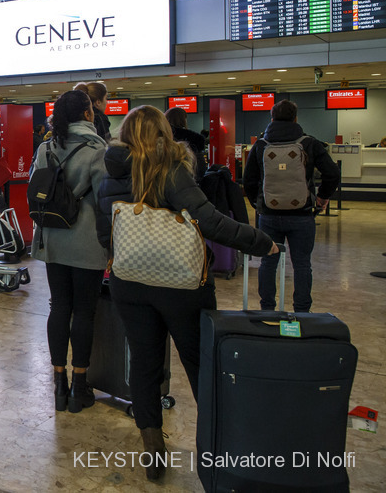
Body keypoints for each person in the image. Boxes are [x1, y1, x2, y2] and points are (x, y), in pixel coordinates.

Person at [97, 105, 276, 481]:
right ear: (164, 132)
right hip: (181, 285)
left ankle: (153, 453)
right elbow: (209, 221)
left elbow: (105, 235)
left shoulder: (109, 174)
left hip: (129, 283)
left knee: (144, 366)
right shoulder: (172, 168)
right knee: (200, 363)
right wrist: (261, 242)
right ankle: (215, 449)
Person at [28, 91, 107, 413]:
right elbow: (106, 200)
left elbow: (37, 188)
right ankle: (79, 386)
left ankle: (58, 383)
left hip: (53, 236)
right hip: (86, 240)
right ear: (88, 114)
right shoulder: (97, 149)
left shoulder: (46, 147)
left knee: (59, 305)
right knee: (85, 311)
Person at [242, 100, 341, 312]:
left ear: (271, 118)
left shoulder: (260, 146)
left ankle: (267, 309)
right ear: (296, 118)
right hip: (302, 215)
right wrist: (322, 198)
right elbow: (333, 173)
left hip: (268, 215)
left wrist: (258, 204)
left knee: (268, 263)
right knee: (302, 264)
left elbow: (248, 181)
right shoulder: (310, 143)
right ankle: (302, 311)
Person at [165, 107, 206, 181]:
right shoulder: (194, 140)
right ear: (183, 120)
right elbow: (200, 169)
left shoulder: (161, 138)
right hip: (189, 182)